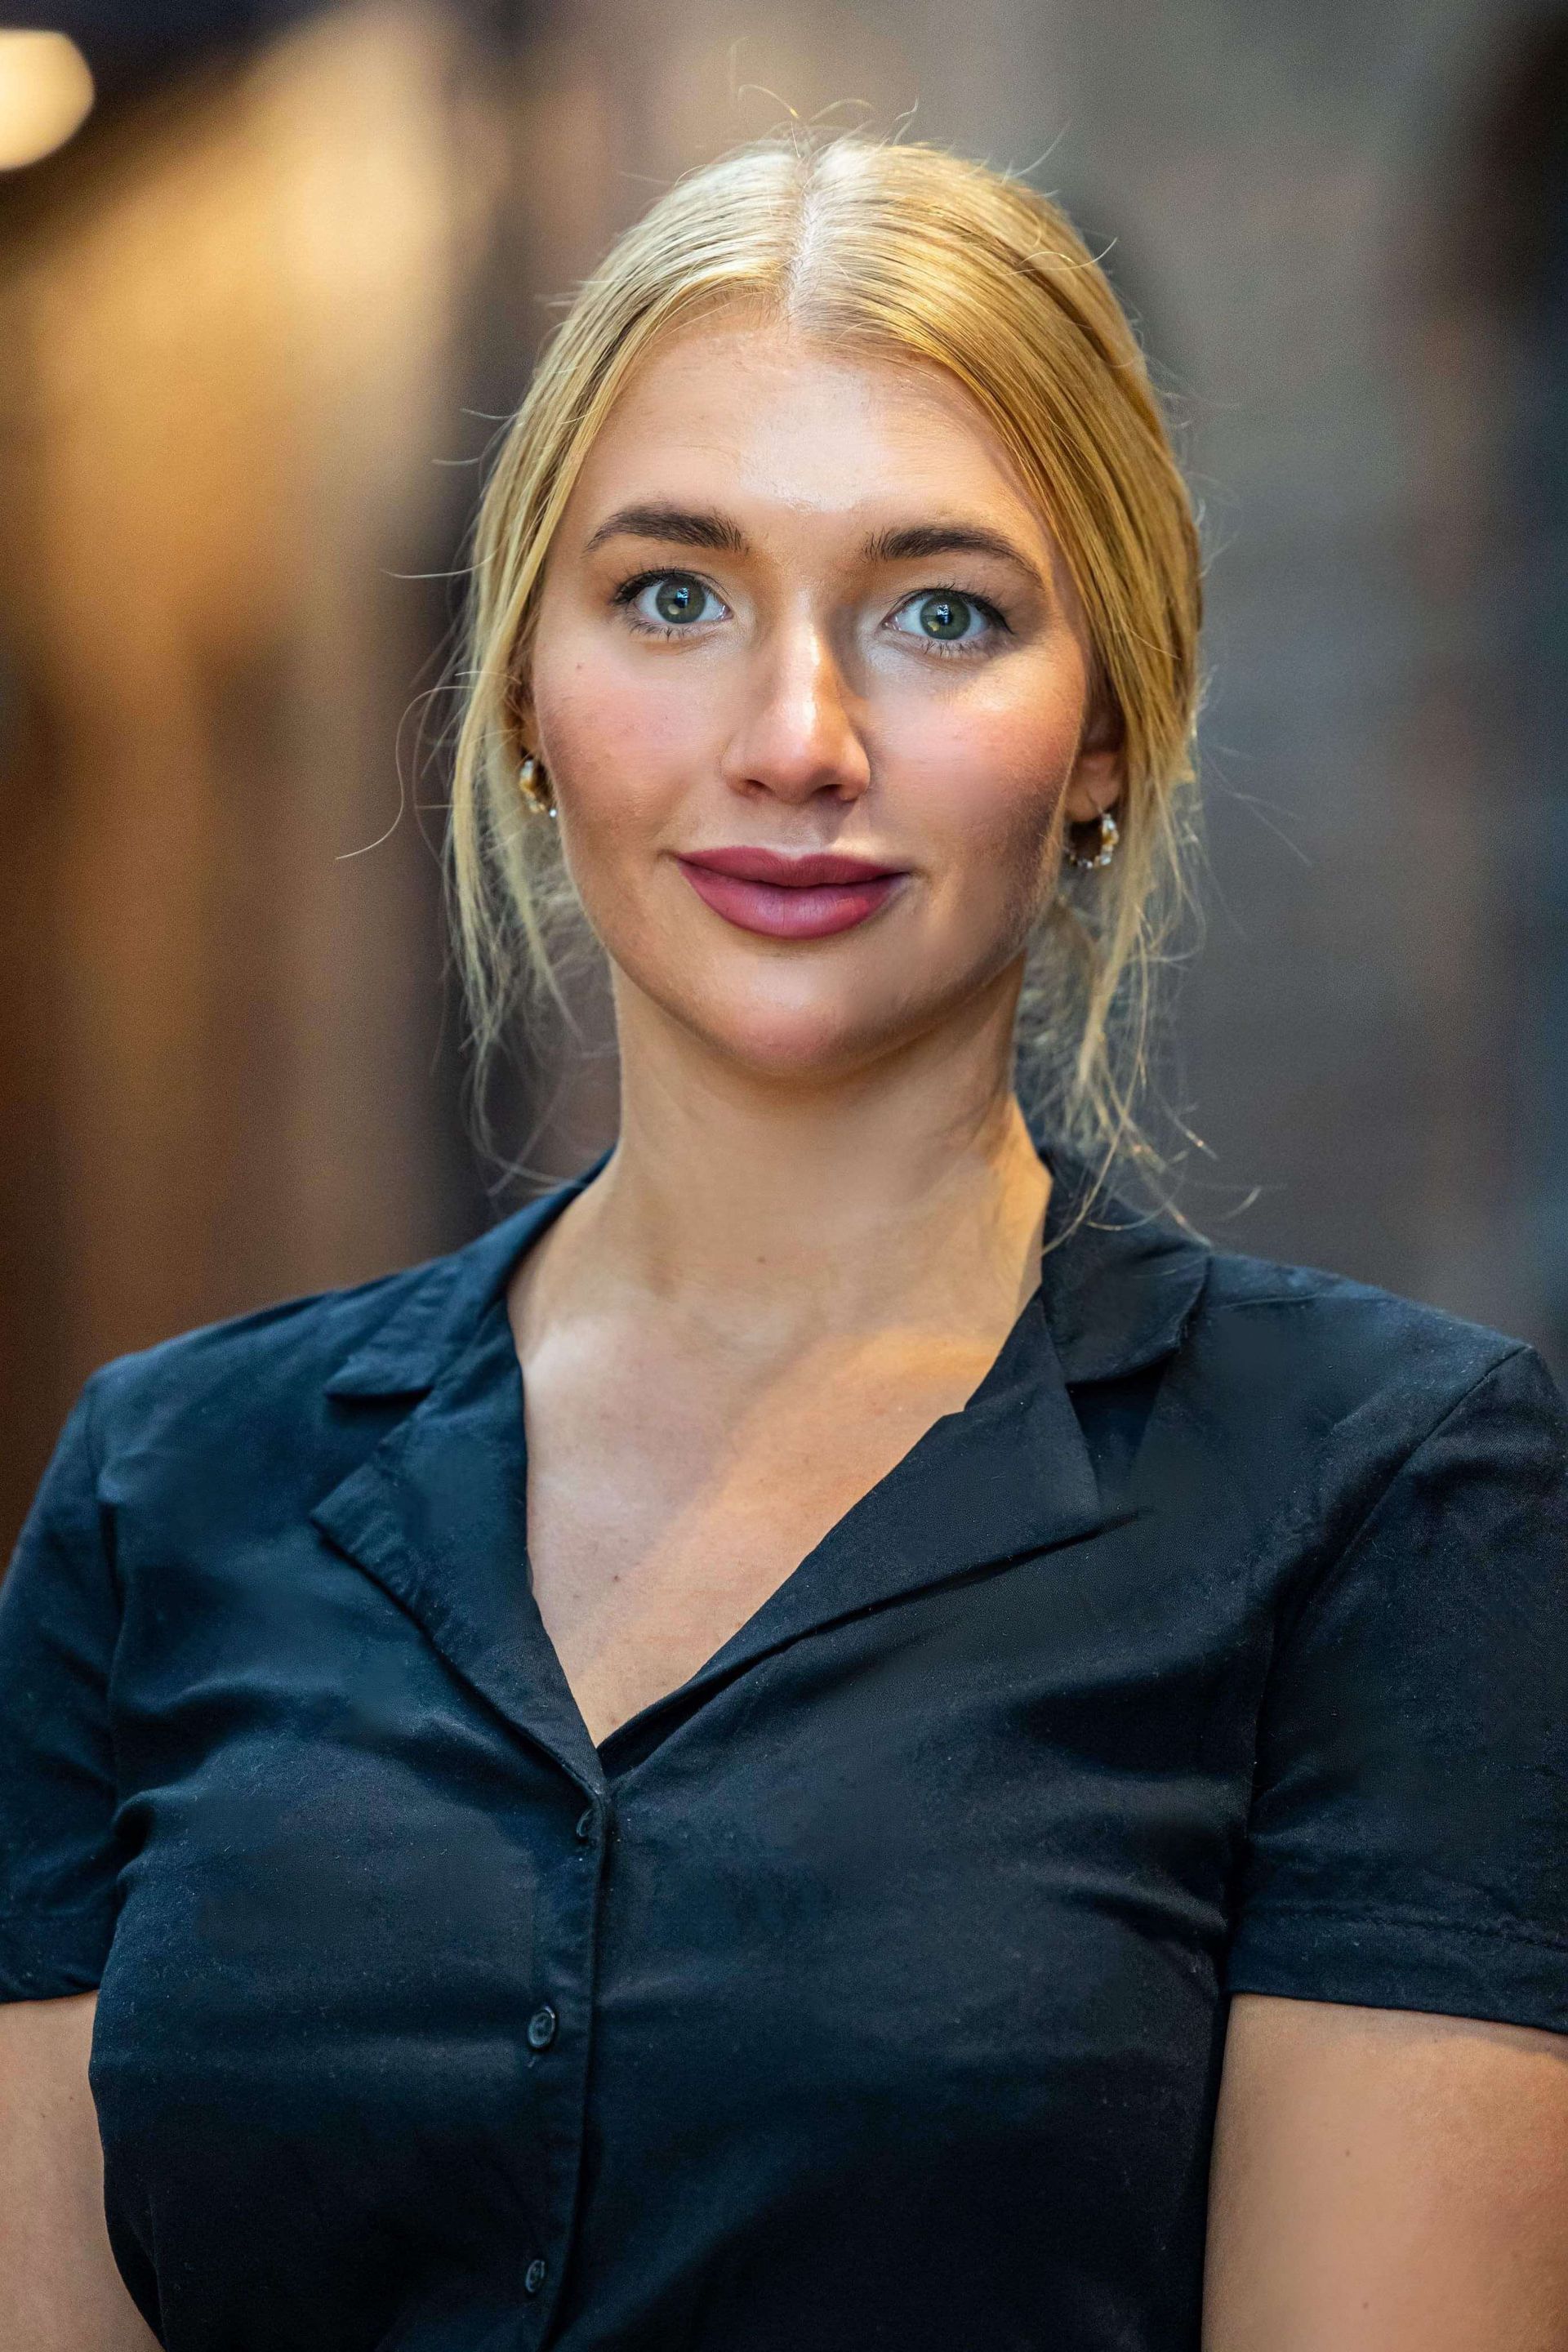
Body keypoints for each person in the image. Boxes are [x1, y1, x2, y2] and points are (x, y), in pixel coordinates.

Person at [2, 131, 1566, 2352]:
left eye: (944, 611)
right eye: (671, 595)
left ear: (1109, 727)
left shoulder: (1390, 1506)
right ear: (530, 698)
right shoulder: (167, 1492)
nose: (795, 739)